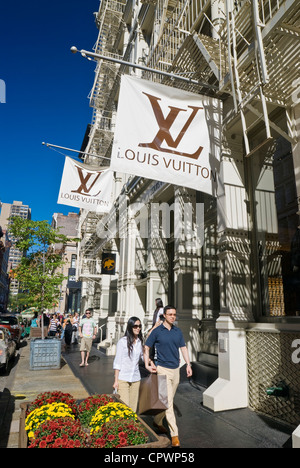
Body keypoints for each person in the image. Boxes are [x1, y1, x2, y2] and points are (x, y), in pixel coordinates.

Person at [144, 305, 193, 448]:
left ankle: (157, 420)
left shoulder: (177, 331)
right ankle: (175, 435)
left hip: (175, 369)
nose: (173, 316)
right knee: (169, 403)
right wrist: (148, 363)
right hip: (162, 369)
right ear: (164, 315)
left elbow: (183, 348)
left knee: (168, 400)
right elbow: (147, 347)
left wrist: (188, 364)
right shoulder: (157, 331)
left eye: (174, 314)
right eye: (170, 314)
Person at [113, 317, 144, 412]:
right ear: (130, 327)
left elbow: (143, 357)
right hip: (123, 378)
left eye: (139, 326)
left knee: (133, 409)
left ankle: (132, 426)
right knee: (124, 406)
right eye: (135, 326)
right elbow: (117, 362)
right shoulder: (123, 342)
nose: (138, 328)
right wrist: (116, 381)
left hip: (136, 378)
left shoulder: (140, 342)